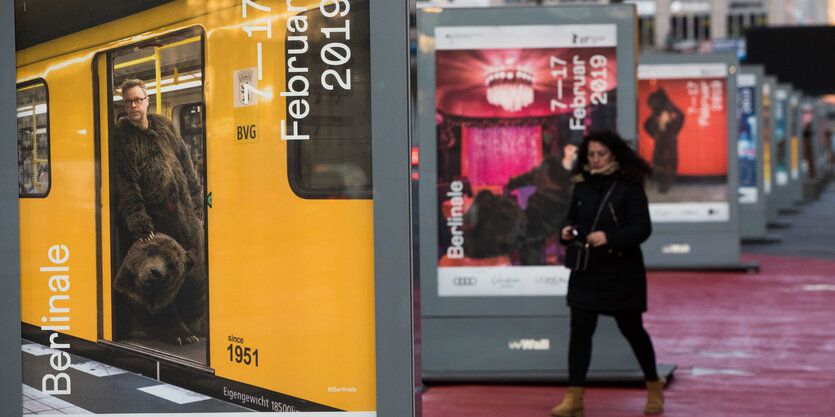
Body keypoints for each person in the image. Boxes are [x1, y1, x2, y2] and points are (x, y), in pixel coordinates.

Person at [551, 131, 665, 416]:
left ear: (613, 153)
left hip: (621, 272)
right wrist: (566, 231)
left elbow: (643, 228)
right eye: (591, 154)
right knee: (580, 333)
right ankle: (574, 399)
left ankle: (653, 385)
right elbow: (572, 217)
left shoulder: (629, 185)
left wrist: (610, 237)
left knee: (632, 330)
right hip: (586, 270)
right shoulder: (582, 185)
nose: (596, 159)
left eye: (601, 154)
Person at [113, 78, 204, 261]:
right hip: (155, 224)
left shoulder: (166, 128)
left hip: (183, 213)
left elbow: (187, 169)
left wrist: (197, 206)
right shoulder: (121, 138)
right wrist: (142, 228)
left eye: (138, 99)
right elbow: (127, 189)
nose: (133, 105)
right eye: (128, 101)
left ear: (147, 100)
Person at [643, 88, 684, 193]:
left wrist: (669, 106)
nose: (665, 117)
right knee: (659, 170)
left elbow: (680, 115)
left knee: (668, 171)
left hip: (670, 158)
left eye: (667, 116)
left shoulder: (673, 128)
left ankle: (665, 185)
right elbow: (646, 125)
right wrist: (655, 113)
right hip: (659, 157)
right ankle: (661, 184)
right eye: (663, 116)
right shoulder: (656, 129)